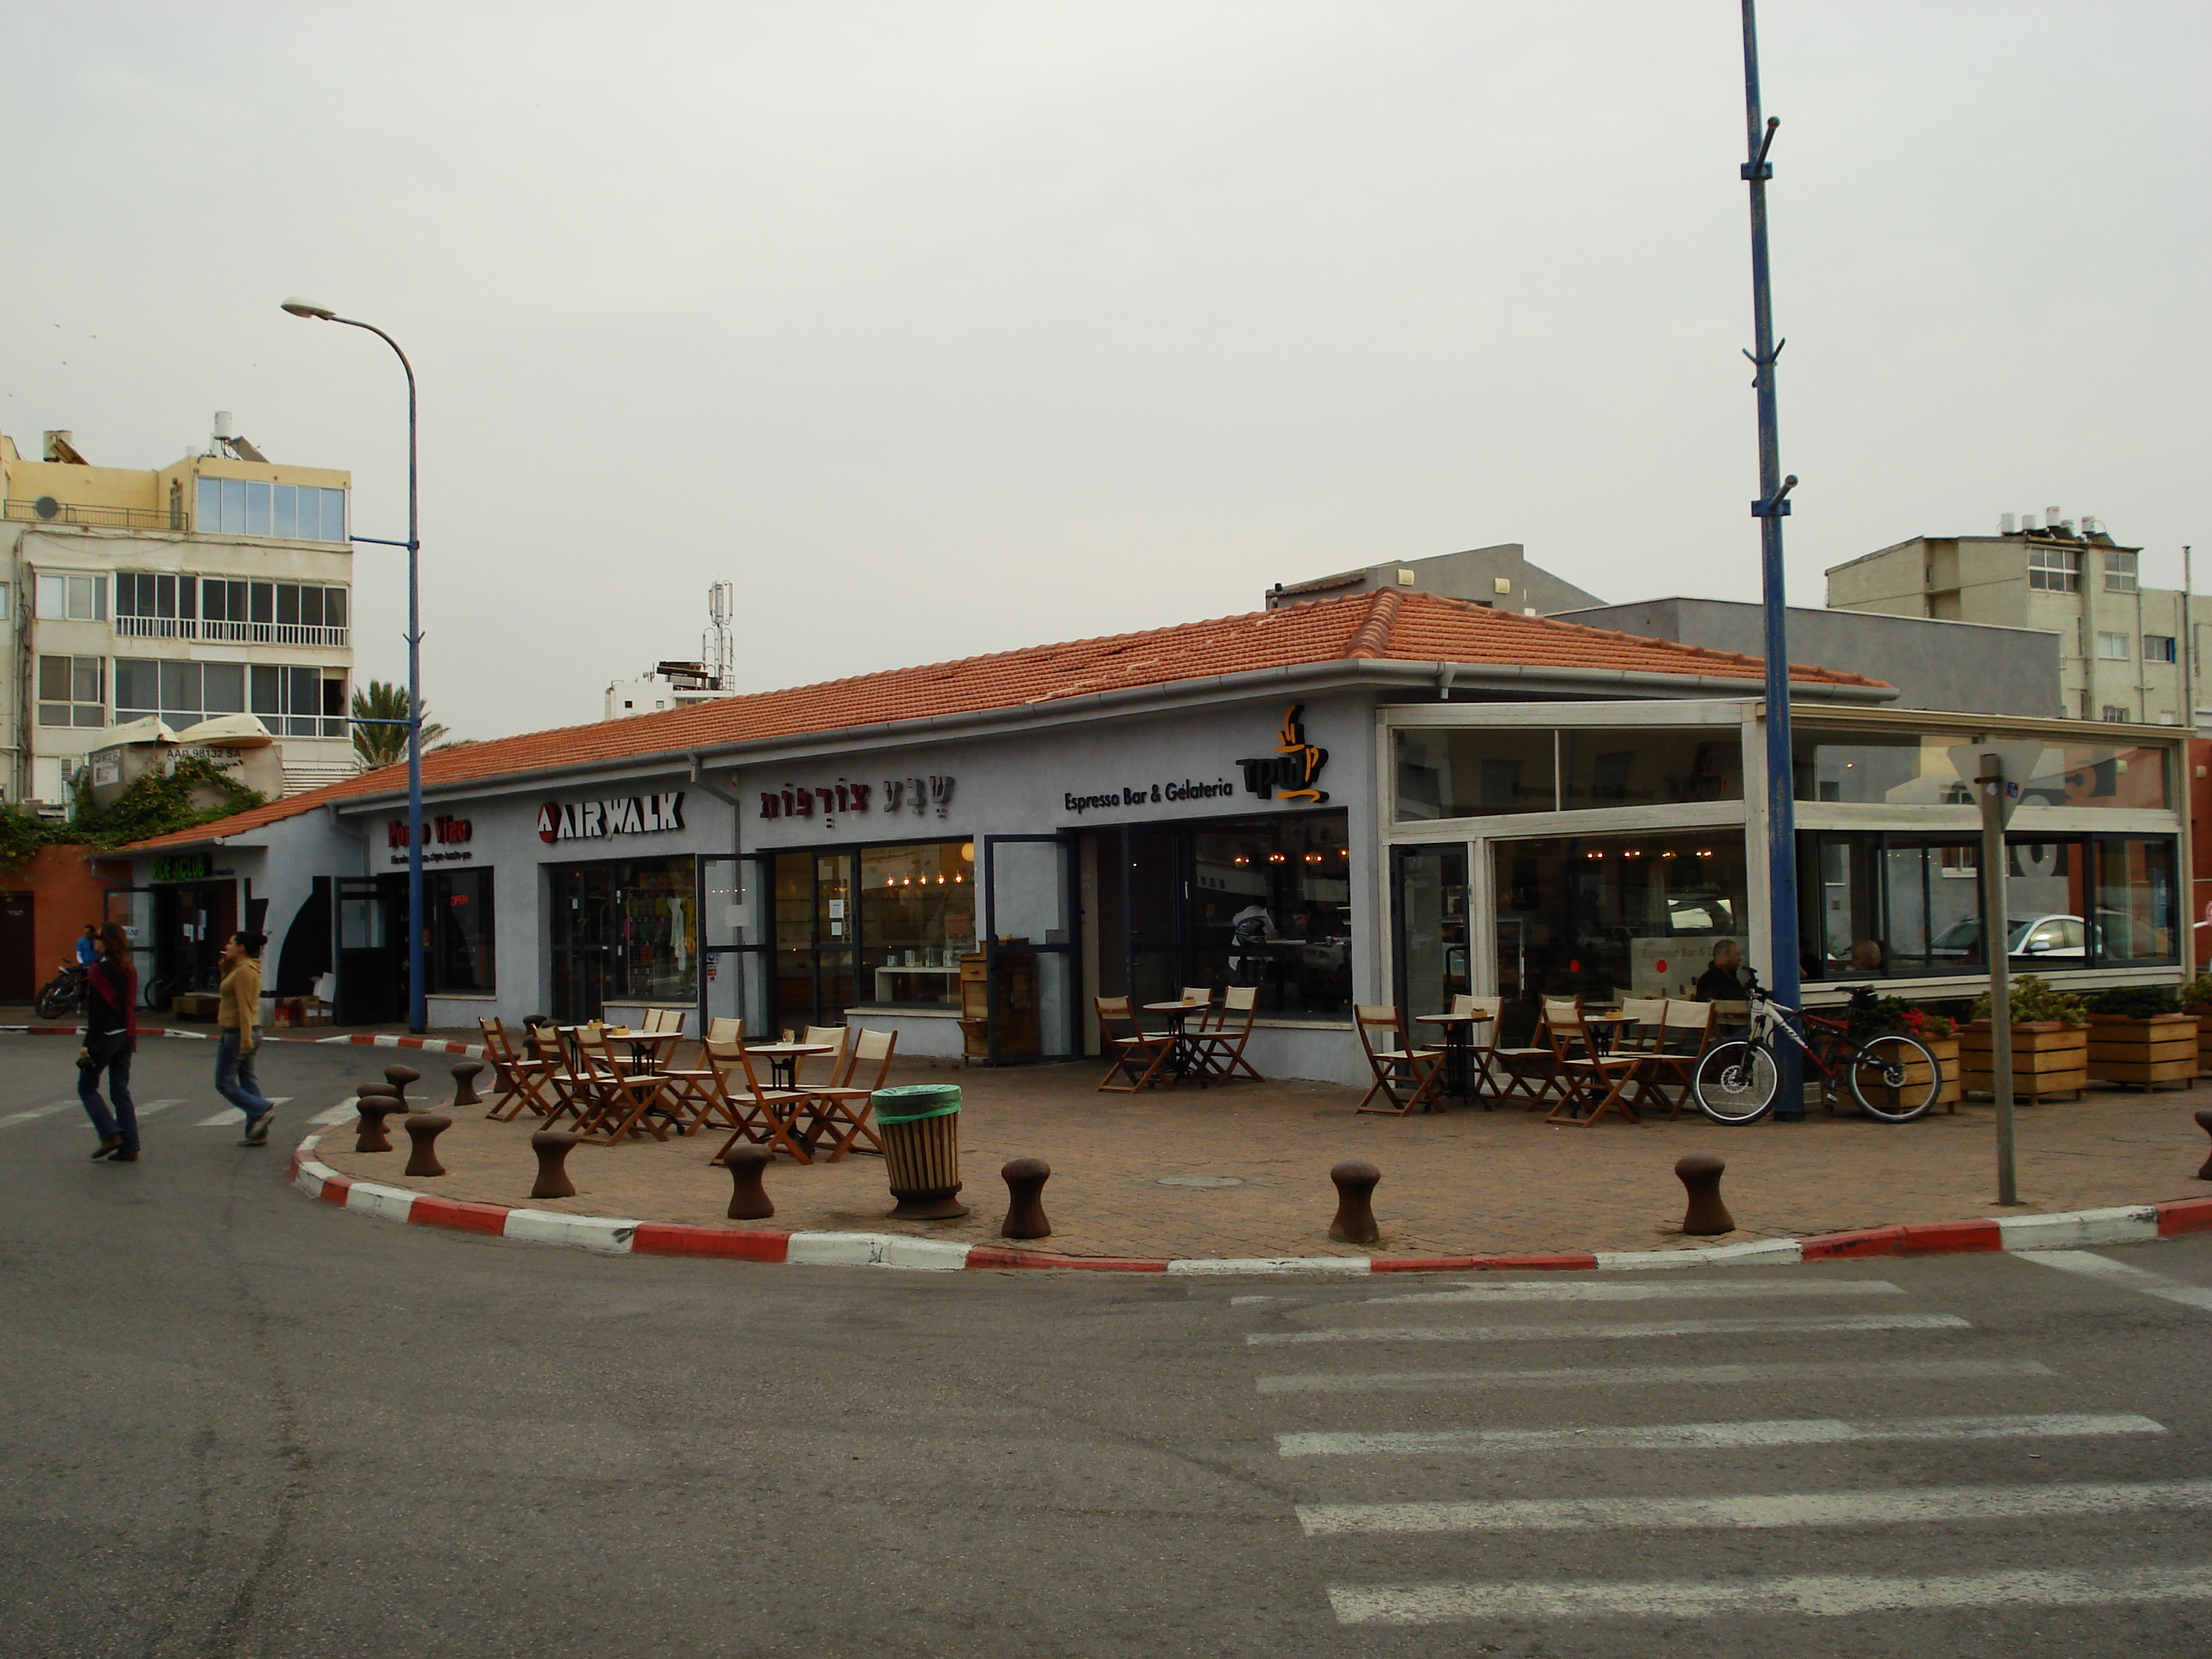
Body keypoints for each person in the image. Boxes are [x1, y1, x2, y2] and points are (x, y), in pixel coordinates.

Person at [78, 923, 140, 1162]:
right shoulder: (128, 968)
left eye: (98, 938)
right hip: (126, 1034)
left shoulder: (99, 971)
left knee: (87, 1086)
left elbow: (98, 1012)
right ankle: (131, 1146)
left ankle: (109, 1133)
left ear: (106, 942)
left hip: (105, 1035)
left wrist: (87, 1044)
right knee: (120, 1091)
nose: (94, 941)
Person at [215, 930, 275, 1146]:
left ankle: (260, 1109)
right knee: (247, 1079)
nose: (227, 946)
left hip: (238, 1032)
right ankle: (257, 1132)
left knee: (223, 1081)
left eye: (231, 942)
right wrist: (225, 968)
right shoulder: (241, 969)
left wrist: (246, 1038)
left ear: (241, 948)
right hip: (245, 1030)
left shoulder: (244, 972)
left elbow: (244, 1006)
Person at [1694, 938, 1749, 1002]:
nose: (1740, 958)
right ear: (1724, 956)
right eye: (1736, 955)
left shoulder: (1731, 978)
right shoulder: (1709, 981)